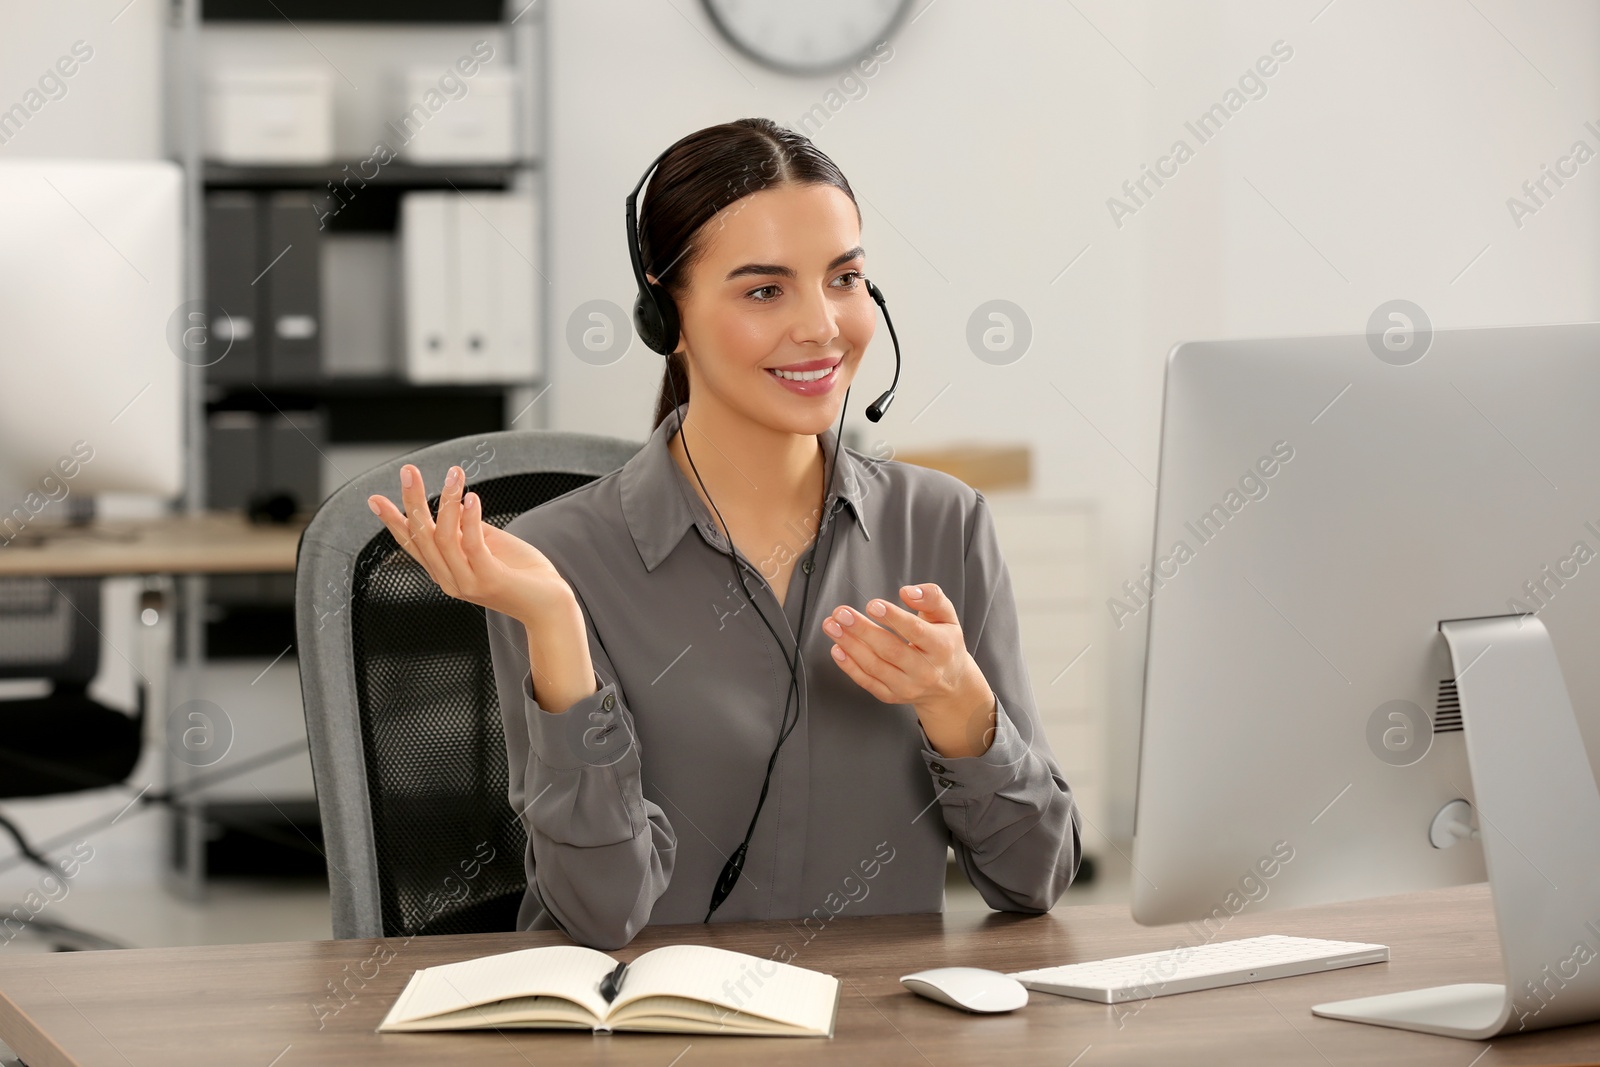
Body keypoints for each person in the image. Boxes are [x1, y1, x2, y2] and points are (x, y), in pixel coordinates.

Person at [366, 117, 1081, 950]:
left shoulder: (944, 524)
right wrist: (557, 627)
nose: (822, 326)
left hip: (880, 1034)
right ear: (663, 315)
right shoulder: (554, 562)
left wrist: (962, 705)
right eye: (764, 290)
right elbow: (600, 911)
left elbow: (1032, 878)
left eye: (845, 278)